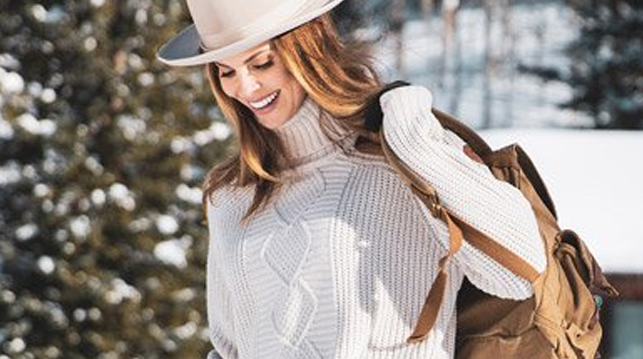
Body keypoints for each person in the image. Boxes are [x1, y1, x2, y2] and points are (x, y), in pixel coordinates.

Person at [155, 1, 547, 358]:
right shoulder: (231, 196)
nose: (243, 87)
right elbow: (229, 349)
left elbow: (520, 271)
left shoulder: (397, 157)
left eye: (261, 64)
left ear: (306, 49)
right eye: (226, 71)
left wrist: (414, 140)